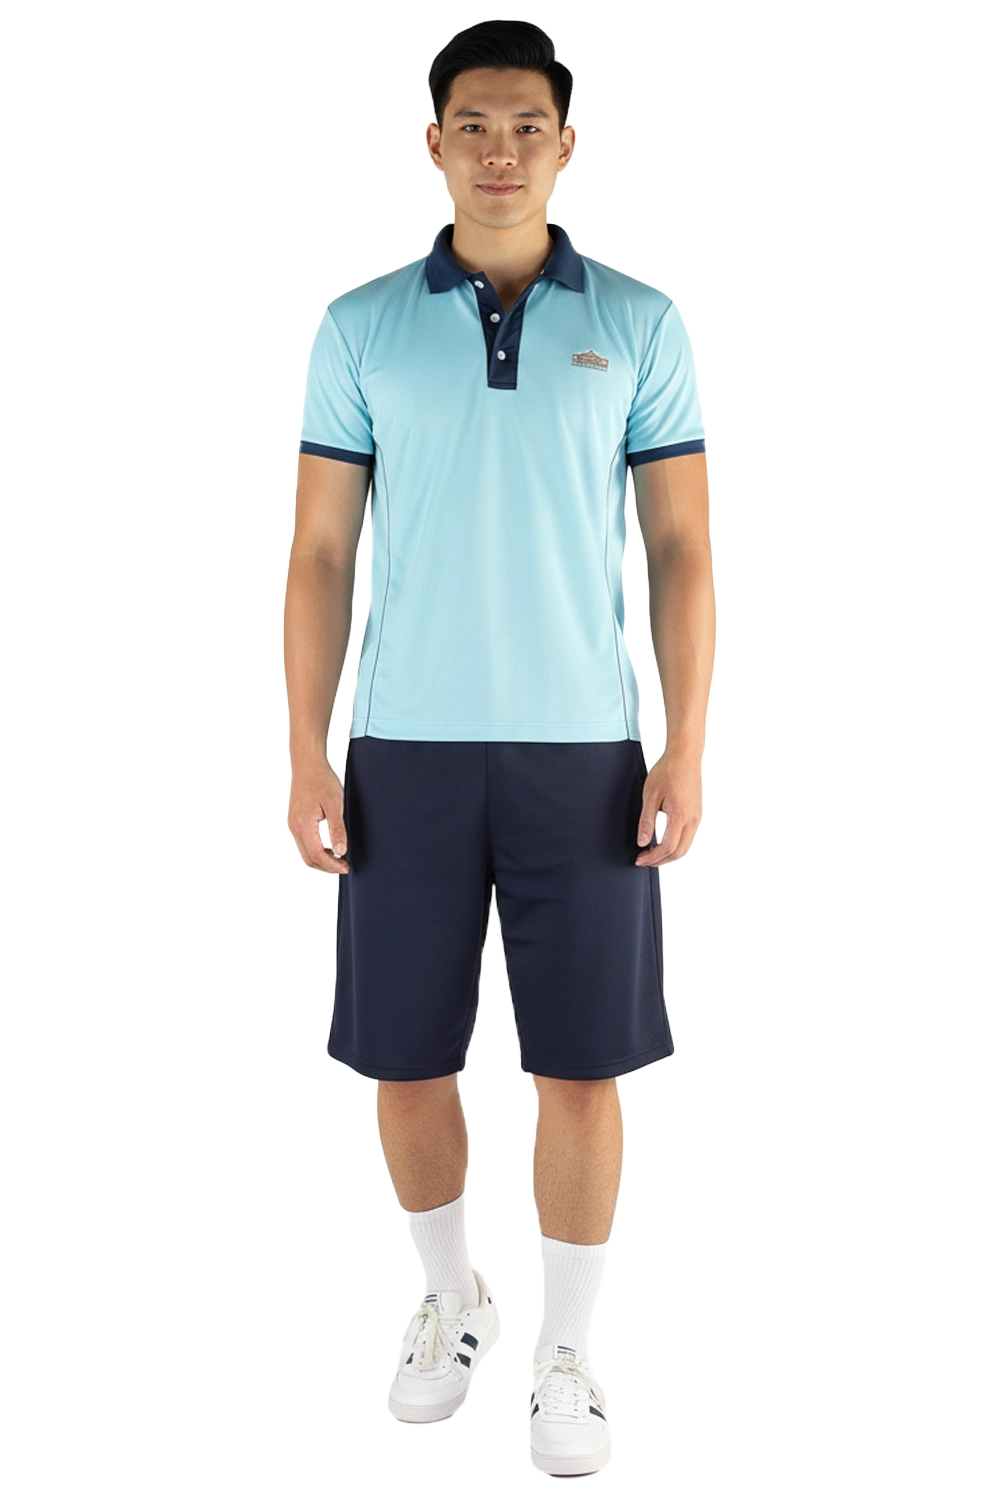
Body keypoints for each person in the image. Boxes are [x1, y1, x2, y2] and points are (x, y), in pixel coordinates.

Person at [283, 18, 714, 1478]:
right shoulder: (358, 326)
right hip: (401, 747)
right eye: (472, 124)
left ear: (568, 144)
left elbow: (682, 549)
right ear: (433, 143)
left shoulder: (641, 323)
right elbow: (319, 555)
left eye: (529, 125)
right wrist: (305, 750)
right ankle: (445, 1300)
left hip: (584, 750)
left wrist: (686, 745)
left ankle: (569, 1354)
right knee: (405, 1052)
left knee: (582, 1061)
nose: (501, 150)